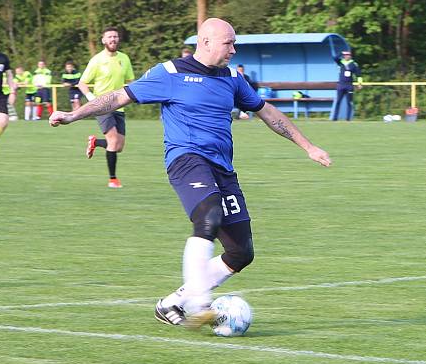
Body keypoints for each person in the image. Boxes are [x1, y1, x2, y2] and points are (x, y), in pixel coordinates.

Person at [50, 18, 331, 328]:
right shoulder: (169, 73)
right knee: (209, 216)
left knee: (241, 252)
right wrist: (74, 115)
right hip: (186, 160)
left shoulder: (232, 79)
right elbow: (117, 97)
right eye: (229, 43)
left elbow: (267, 112)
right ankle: (199, 305)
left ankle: (174, 302)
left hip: (223, 168)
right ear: (206, 41)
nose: (234, 50)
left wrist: (308, 146)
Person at [78, 27, 135, 188]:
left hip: (120, 105)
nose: (113, 39)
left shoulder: (124, 58)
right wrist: (92, 100)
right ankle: (113, 179)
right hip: (102, 106)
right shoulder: (97, 60)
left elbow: (131, 81)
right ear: (103, 40)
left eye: (115, 36)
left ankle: (95, 142)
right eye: (109, 37)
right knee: (113, 140)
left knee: (119, 146)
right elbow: (82, 83)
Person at [331, 49, 362, 121]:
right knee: (338, 101)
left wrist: (360, 83)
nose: (347, 56)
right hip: (341, 85)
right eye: (345, 55)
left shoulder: (354, 64)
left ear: (350, 56)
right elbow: (335, 58)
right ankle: (335, 118)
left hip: (349, 86)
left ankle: (348, 119)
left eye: (348, 55)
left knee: (349, 102)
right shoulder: (341, 62)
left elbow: (359, 75)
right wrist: (341, 53)